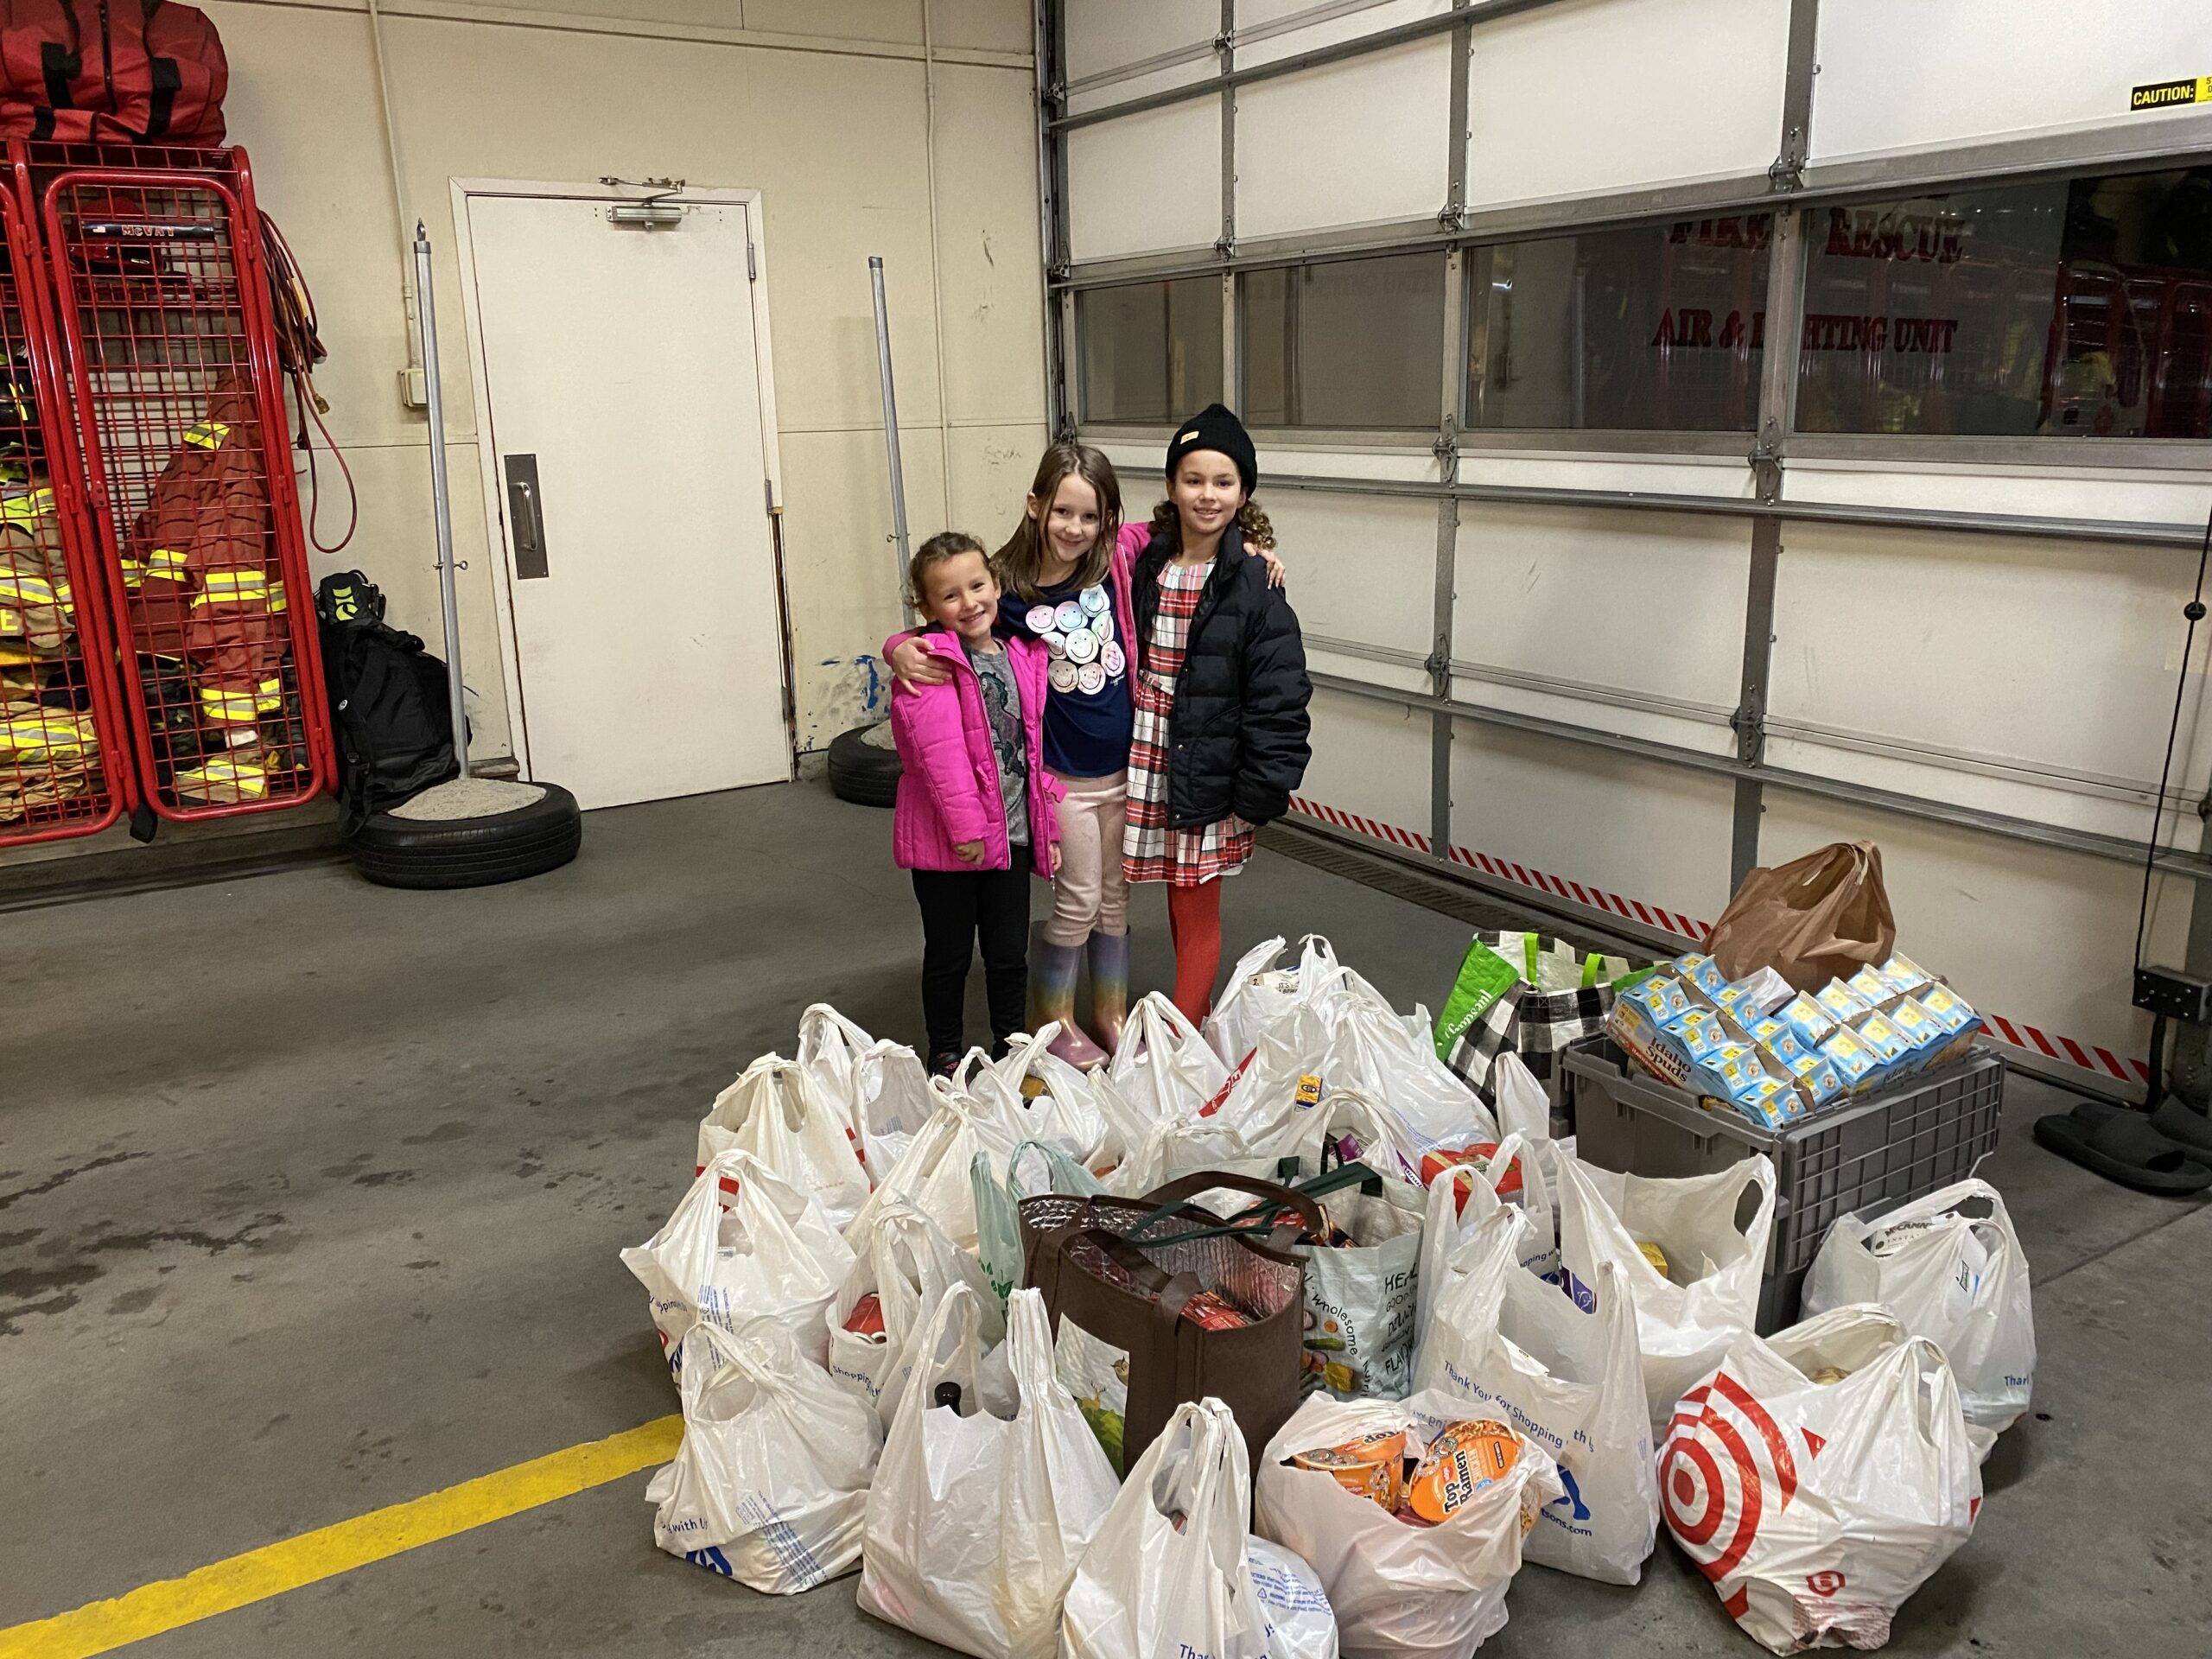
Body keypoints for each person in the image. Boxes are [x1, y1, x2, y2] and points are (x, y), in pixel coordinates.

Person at [887, 444, 1287, 1066]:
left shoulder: (1119, 557)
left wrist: (1253, 549)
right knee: (1075, 899)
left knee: (1115, 897)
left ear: (1107, 520)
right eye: (1062, 513)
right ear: (1035, 506)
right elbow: (947, 621)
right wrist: (899, 646)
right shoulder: (1006, 587)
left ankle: (1109, 1011)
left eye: (1090, 516)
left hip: (1125, 770)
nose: (1075, 528)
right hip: (1059, 778)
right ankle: (1055, 1018)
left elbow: (1199, 518)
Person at [1124, 404, 1310, 1024]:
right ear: (1172, 487)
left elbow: (1279, 696)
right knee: (1156, 895)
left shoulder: (1256, 582)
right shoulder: (1144, 562)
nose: (1208, 495)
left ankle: (1185, 1031)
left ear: (1244, 491)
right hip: (1144, 750)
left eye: (1223, 482)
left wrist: (1262, 787)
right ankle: (1163, 1018)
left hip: (1207, 758)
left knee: (1196, 897)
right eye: (1194, 479)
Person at [888, 531, 1063, 1075]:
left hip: (1010, 837)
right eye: (950, 596)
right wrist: (967, 830)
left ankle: (1013, 1045)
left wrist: (1046, 831)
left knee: (1009, 953)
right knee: (949, 955)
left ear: (994, 582)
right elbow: (937, 756)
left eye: (978, 585)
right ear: (927, 608)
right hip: (951, 847)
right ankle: (945, 1051)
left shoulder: (1019, 655)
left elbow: (1033, 752)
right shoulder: (928, 665)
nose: (969, 603)